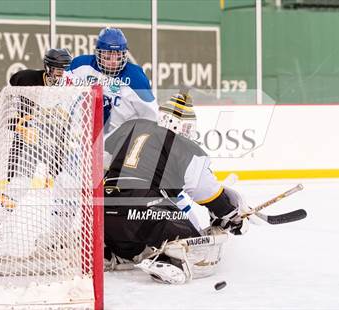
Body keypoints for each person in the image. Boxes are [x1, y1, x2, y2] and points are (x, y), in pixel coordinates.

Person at [103, 92, 250, 284]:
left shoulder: (131, 127)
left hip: (104, 209)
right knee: (194, 241)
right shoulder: (183, 145)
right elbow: (207, 192)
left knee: (134, 234)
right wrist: (230, 213)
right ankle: (170, 261)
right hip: (144, 211)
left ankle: (116, 252)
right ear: (184, 126)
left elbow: (100, 163)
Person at [0, 48, 74, 210]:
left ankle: (60, 228)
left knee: (66, 182)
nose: (62, 74)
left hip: (55, 143)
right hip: (27, 142)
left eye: (65, 70)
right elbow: (7, 103)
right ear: (48, 68)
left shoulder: (72, 87)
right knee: (18, 185)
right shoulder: (27, 79)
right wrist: (17, 122)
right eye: (58, 70)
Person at [69, 27, 158, 135]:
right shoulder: (80, 65)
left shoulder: (136, 78)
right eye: (107, 57)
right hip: (84, 136)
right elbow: (62, 85)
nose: (113, 62)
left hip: (120, 140)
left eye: (118, 56)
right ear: (99, 54)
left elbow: (152, 116)